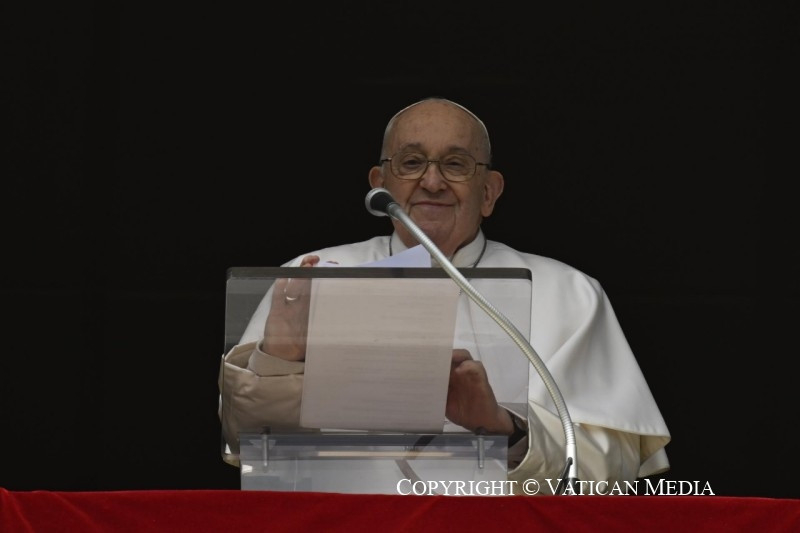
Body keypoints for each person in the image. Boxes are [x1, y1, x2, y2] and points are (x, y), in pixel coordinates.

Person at [218, 97, 671, 494]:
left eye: (455, 164)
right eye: (411, 162)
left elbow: (613, 469)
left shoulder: (569, 292)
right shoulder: (309, 277)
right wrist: (278, 360)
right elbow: (247, 442)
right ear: (380, 183)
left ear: (489, 192)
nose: (432, 182)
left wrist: (505, 429)